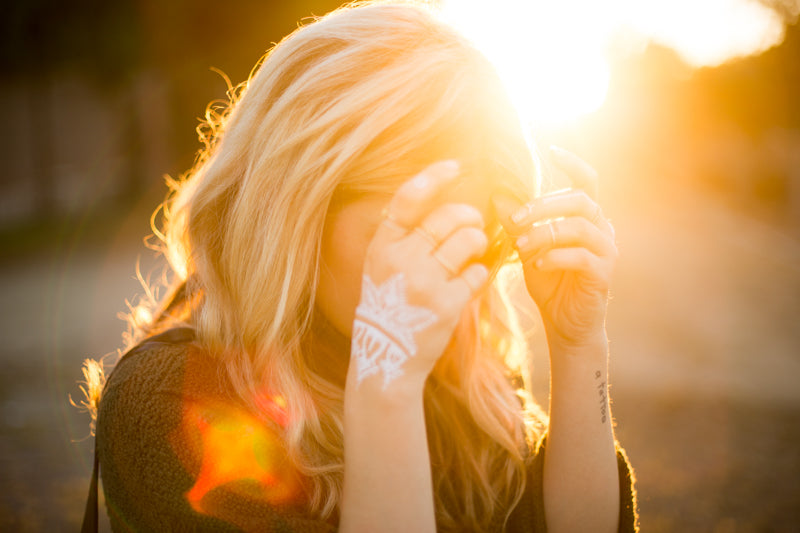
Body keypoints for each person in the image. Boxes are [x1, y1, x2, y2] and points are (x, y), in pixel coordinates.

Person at [81, 2, 637, 531]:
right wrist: (386, 382)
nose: (445, 280)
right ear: (296, 204)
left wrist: (578, 344)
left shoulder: (457, 359)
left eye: (474, 242)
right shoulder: (166, 401)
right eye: (419, 233)